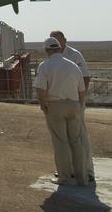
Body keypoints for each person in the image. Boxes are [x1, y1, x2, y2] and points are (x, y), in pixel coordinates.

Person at [34, 37, 89, 186]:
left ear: (47, 50)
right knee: (76, 142)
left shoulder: (44, 66)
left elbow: (41, 89)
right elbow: (82, 90)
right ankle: (82, 177)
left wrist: (43, 105)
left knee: (61, 142)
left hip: (55, 106)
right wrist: (79, 105)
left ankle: (64, 177)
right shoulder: (73, 66)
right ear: (59, 48)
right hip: (74, 105)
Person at [51, 30, 94, 181]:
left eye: (57, 38)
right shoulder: (52, 57)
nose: (55, 41)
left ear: (64, 40)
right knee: (63, 139)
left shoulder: (74, 55)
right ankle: (67, 169)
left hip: (75, 102)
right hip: (60, 102)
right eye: (53, 39)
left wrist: (81, 101)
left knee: (80, 137)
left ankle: (87, 170)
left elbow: (86, 77)